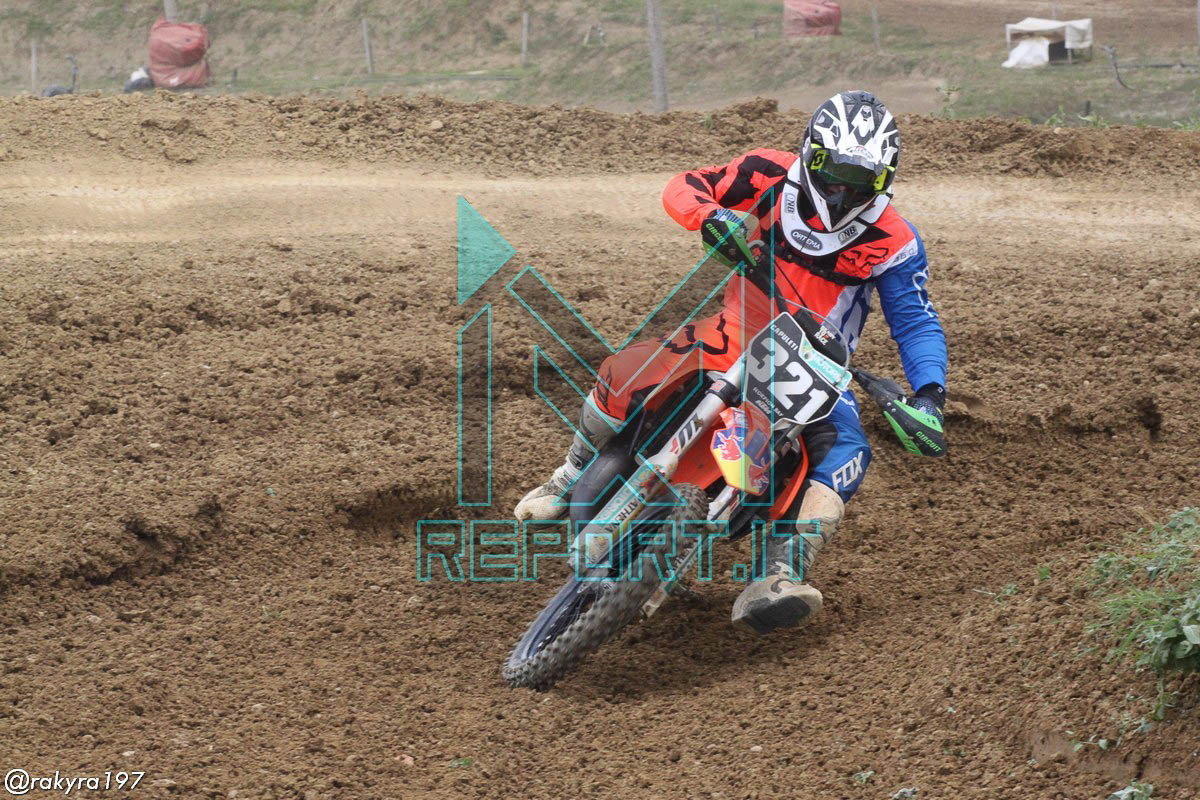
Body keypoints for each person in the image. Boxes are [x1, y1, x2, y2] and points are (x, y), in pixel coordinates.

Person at [514, 91, 948, 634]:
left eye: (861, 183)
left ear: (885, 181)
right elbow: (685, 184)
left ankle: (782, 572)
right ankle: (567, 477)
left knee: (847, 453)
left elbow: (916, 321)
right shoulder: (767, 172)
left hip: (816, 365)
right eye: (833, 174)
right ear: (810, 154)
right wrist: (710, 216)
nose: (842, 193)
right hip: (735, 330)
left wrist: (930, 396)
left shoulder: (897, 241)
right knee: (624, 373)